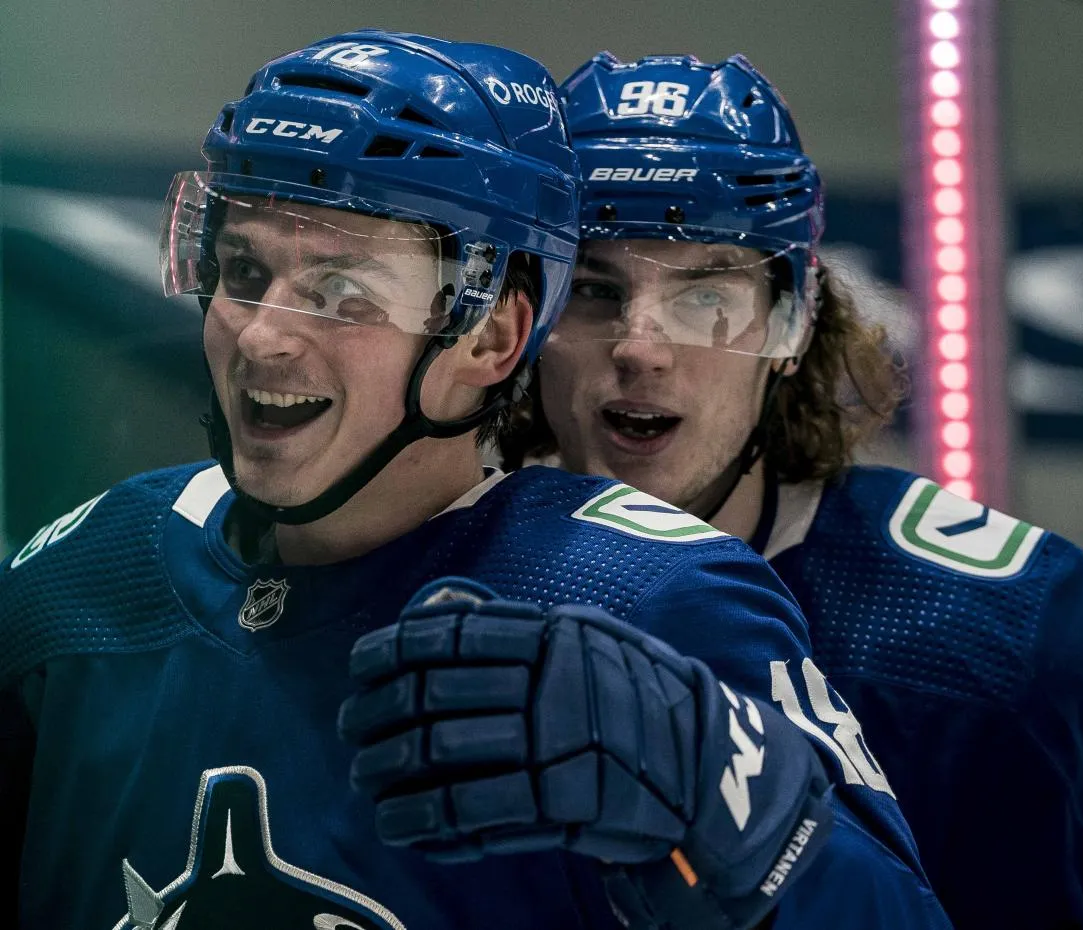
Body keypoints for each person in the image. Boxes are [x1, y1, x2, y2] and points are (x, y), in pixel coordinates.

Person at [0, 30, 953, 930]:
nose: (262, 333)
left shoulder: (655, 599)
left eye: (343, 293)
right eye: (244, 267)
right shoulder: (79, 575)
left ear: (491, 336)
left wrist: (726, 795)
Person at [498, 50, 1083, 929]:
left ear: (791, 320)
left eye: (705, 294)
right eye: (595, 292)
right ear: (523, 318)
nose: (641, 346)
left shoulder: (1004, 633)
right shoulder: (410, 569)